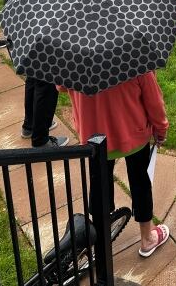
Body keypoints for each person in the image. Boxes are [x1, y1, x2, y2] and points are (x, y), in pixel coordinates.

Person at [62, 72, 170, 257]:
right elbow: (153, 100)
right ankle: (147, 238)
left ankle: (101, 243)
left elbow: (62, 86)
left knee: (99, 186)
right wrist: (160, 129)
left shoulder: (71, 58)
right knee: (141, 183)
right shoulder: (135, 54)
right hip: (133, 134)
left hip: (93, 136)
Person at [3, 0, 68, 148]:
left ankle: (30, 125)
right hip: (38, 38)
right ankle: (40, 140)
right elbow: (48, 9)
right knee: (47, 87)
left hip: (20, 35)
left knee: (33, 81)